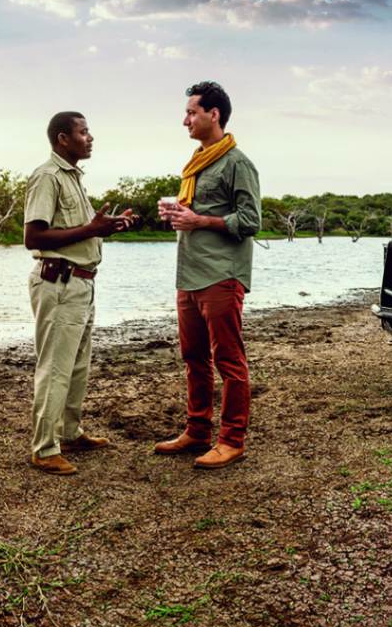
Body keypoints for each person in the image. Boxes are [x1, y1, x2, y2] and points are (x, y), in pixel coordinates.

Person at [21, 112, 138, 476]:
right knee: (55, 368)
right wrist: (91, 227)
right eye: (83, 132)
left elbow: (79, 232)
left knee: (77, 367)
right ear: (62, 139)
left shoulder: (74, 178)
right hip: (59, 283)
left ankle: (69, 433)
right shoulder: (47, 177)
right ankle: (44, 448)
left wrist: (107, 228)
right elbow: (34, 238)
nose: (90, 137)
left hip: (81, 284)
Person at [153, 81, 261, 469]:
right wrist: (179, 217)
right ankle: (197, 430)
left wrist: (200, 219)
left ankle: (232, 439)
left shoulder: (238, 163)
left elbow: (251, 221)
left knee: (228, 360)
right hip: (189, 273)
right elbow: (194, 218)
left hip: (221, 274)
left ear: (213, 115)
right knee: (193, 357)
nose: (185, 120)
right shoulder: (195, 162)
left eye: (191, 113)